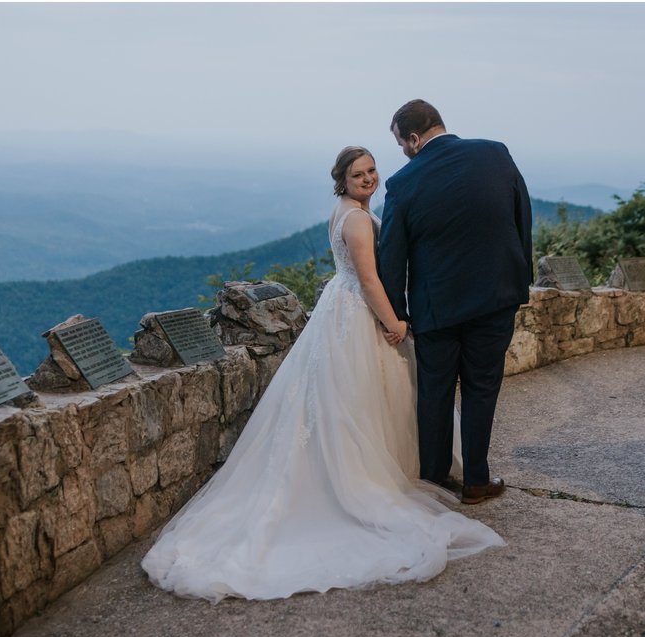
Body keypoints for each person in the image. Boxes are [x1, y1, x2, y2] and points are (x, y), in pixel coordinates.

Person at [141, 146, 503, 602]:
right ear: (343, 180)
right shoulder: (355, 219)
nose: (369, 178)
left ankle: (391, 469)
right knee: (361, 401)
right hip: (358, 315)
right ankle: (368, 481)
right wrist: (395, 324)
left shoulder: (345, 211)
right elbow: (369, 280)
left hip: (339, 310)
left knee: (347, 401)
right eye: (358, 174)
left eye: (372, 170)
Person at [378, 99, 533, 505]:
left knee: (435, 391)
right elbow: (522, 218)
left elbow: (391, 259)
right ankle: (476, 482)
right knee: (483, 387)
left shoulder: (402, 184)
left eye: (401, 144)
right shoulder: (496, 153)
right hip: (495, 297)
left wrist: (397, 314)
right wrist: (520, 279)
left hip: (437, 308)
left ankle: (432, 480)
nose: (403, 153)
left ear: (413, 138)